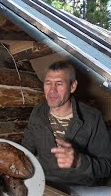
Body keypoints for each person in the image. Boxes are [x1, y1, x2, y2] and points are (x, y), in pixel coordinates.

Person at [21, 60, 111, 188]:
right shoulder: (38, 112)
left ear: (72, 86)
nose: (52, 90)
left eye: (59, 84)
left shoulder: (92, 117)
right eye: (48, 83)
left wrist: (79, 161)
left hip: (80, 186)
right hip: (46, 183)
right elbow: (26, 149)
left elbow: (107, 166)